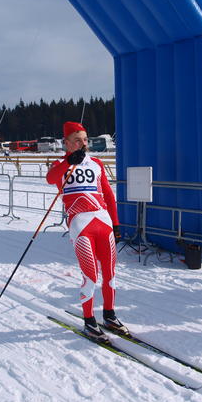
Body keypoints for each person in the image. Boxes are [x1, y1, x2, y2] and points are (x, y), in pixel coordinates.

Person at [46, 121, 124, 341]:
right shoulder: (60, 164)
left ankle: (109, 315)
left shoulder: (96, 163)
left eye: (85, 139)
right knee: (90, 275)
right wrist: (69, 161)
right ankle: (89, 320)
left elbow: (108, 195)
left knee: (110, 274)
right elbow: (51, 179)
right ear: (67, 143)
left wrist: (116, 224)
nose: (83, 144)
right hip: (80, 225)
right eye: (77, 140)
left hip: (103, 221)